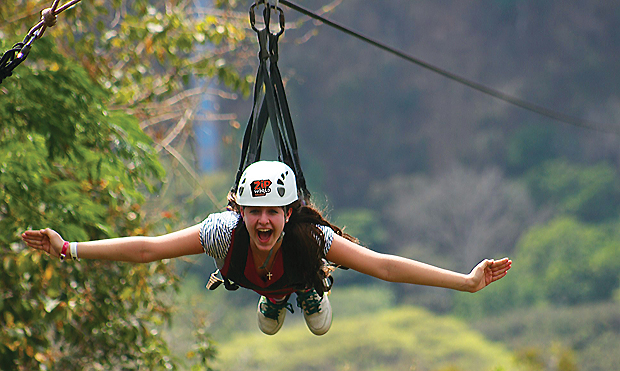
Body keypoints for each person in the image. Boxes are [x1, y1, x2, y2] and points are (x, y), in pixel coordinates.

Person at [22, 160, 512, 336]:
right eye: (254, 212)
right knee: (269, 316)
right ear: (241, 211)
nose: (262, 221)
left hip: (298, 269)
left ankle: (303, 291)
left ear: (288, 214)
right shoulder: (222, 231)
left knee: (317, 323)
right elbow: (149, 248)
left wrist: (465, 282)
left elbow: (383, 266)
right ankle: (275, 296)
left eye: (272, 213)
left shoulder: (309, 237)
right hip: (256, 276)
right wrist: (70, 249)